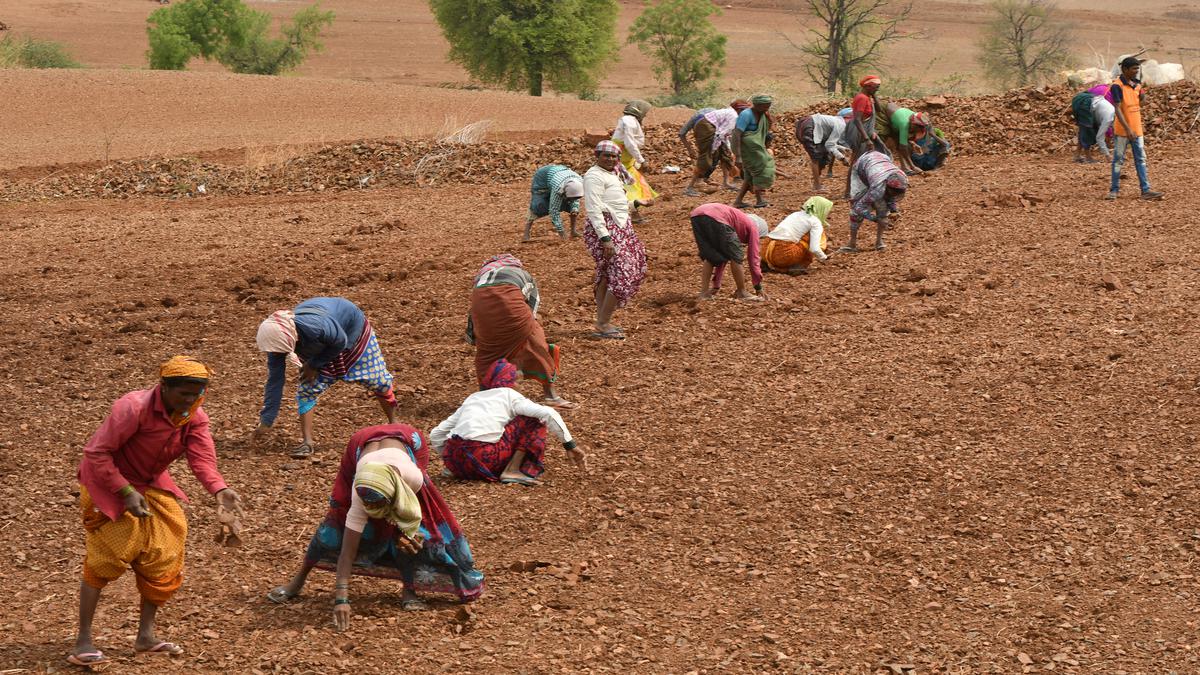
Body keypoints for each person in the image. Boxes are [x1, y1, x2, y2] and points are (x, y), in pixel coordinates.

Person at [70, 356, 242, 667]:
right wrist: (125, 492)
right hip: (107, 481)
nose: (190, 400)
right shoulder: (132, 408)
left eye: (197, 394)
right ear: (163, 387)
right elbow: (96, 452)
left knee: (164, 553)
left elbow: (202, 460)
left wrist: (219, 489)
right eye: (184, 394)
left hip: (149, 482)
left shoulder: (194, 415)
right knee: (107, 556)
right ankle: (83, 638)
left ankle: (145, 637)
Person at [266, 423, 484, 628]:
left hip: (411, 442)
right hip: (359, 447)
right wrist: (341, 598)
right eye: (367, 504)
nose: (371, 508)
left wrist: (406, 532)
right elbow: (347, 552)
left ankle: (410, 589)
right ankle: (298, 581)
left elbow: (410, 519)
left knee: (413, 537)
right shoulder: (359, 492)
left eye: (376, 503)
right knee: (332, 530)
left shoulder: (413, 478)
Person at [254, 297, 397, 458]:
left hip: (352, 333)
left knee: (378, 381)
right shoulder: (277, 344)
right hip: (319, 346)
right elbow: (275, 380)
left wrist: (314, 365)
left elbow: (340, 341)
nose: (276, 354)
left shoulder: (315, 326)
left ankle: (395, 425)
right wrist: (267, 420)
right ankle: (307, 443)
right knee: (307, 389)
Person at [432, 359, 587, 486]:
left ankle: (457, 468)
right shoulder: (509, 395)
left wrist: (453, 460)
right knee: (533, 419)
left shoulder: (474, 397)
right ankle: (512, 470)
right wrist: (570, 445)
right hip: (484, 458)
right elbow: (548, 413)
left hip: (454, 461)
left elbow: (436, 434)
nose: (519, 387)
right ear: (508, 381)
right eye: (517, 382)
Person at [465, 253, 575, 409]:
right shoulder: (524, 275)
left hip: (482, 313)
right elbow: (533, 306)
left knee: (488, 353)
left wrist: (474, 335)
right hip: (513, 310)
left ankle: (484, 398)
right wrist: (531, 325)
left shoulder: (480, 279)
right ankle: (551, 396)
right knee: (536, 343)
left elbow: (474, 310)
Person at [582, 140, 649, 340]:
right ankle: (603, 323)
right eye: (606, 156)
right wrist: (605, 239)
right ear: (597, 156)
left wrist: (636, 203)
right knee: (623, 271)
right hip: (605, 229)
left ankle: (601, 322)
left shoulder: (612, 174)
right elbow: (594, 209)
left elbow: (614, 204)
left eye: (614, 156)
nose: (611, 159)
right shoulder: (593, 176)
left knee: (608, 273)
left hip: (621, 226)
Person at [1107, 56, 1163, 201]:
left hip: (1137, 130)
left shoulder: (1136, 84)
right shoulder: (1117, 86)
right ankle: (1113, 190)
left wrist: (1142, 95)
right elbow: (1117, 109)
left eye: (1137, 69)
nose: (1136, 71)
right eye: (1134, 69)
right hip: (1123, 131)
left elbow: (1140, 102)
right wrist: (1128, 129)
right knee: (1118, 160)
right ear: (1125, 69)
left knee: (1141, 160)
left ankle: (1145, 190)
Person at [689, 202, 767, 301]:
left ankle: (704, 293)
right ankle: (742, 292)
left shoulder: (737, 221)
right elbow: (753, 257)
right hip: (715, 216)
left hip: (697, 215)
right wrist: (758, 285)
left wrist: (716, 285)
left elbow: (722, 256)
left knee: (711, 256)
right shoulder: (753, 227)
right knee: (736, 255)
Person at [841, 151, 908, 253]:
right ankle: (852, 244)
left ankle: (879, 242)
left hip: (881, 161)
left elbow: (890, 197)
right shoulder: (877, 189)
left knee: (882, 207)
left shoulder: (903, 178)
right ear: (887, 186)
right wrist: (875, 219)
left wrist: (894, 210)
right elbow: (858, 208)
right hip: (861, 167)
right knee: (855, 211)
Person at [683, 101, 749, 196]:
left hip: (713, 129)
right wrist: (713, 149)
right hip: (705, 127)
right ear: (739, 110)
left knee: (725, 156)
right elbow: (721, 134)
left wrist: (726, 148)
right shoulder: (734, 116)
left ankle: (725, 183)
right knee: (705, 158)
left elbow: (723, 134)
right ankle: (689, 188)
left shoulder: (732, 114)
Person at [761, 196, 835, 275]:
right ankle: (797, 267)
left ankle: (764, 264)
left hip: (765, 249)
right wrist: (824, 257)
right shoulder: (815, 221)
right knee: (807, 245)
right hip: (784, 254)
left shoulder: (795, 214)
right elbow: (814, 248)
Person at [612, 100, 659, 222]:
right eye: (645, 112)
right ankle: (627, 214)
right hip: (621, 161)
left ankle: (633, 214)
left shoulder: (628, 120)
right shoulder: (629, 122)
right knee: (630, 188)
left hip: (626, 161)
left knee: (634, 186)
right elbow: (629, 143)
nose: (645, 115)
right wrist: (641, 160)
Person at [732, 94, 777, 209]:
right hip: (747, 149)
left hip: (756, 148)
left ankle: (738, 201)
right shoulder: (746, 115)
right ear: (757, 105)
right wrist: (738, 156)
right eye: (764, 106)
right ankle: (759, 199)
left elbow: (765, 131)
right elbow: (737, 134)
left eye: (768, 106)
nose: (766, 109)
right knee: (761, 168)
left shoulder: (763, 114)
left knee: (750, 175)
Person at [843, 75, 884, 198]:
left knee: (863, 159)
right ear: (867, 86)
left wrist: (874, 95)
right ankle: (848, 191)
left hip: (866, 132)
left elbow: (880, 110)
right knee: (856, 161)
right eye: (875, 87)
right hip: (859, 133)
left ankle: (860, 187)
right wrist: (866, 138)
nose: (877, 89)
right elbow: (857, 120)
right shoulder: (861, 98)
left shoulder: (867, 97)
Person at [524, 164, 584, 240]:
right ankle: (526, 233)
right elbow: (553, 211)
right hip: (542, 178)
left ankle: (573, 231)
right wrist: (562, 233)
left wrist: (574, 209)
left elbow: (575, 198)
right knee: (538, 205)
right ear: (564, 192)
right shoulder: (558, 188)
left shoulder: (579, 183)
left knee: (572, 208)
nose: (574, 199)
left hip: (559, 173)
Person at [796, 113, 850, 192]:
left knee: (823, 156)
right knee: (815, 158)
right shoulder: (841, 126)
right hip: (810, 127)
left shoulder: (838, 121)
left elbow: (829, 143)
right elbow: (830, 145)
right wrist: (842, 158)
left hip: (810, 126)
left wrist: (843, 148)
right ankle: (817, 186)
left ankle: (817, 183)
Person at [883, 107, 931, 174]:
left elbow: (904, 140)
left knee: (903, 144)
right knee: (903, 147)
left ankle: (904, 167)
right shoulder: (904, 124)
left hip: (895, 121)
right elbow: (903, 147)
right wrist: (913, 166)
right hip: (885, 117)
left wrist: (913, 144)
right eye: (916, 129)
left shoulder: (914, 116)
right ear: (914, 124)